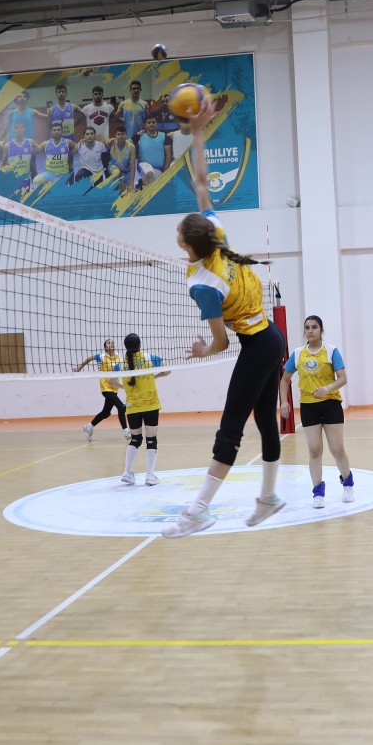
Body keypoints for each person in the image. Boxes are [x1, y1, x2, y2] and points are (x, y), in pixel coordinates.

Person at [166, 100, 286, 538]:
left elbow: (220, 343)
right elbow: (201, 182)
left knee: (231, 427)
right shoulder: (217, 236)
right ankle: (268, 498)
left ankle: (197, 511)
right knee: (265, 421)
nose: (177, 231)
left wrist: (202, 351)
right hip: (270, 336)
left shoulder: (203, 283)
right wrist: (198, 131)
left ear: (186, 245)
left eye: (179, 231)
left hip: (259, 344)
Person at [279, 315, 355, 509]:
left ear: (321, 330)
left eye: (314, 327)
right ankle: (318, 492)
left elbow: (343, 378)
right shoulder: (298, 354)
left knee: (337, 449)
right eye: (307, 327)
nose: (310, 330)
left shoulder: (331, 351)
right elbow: (284, 379)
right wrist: (284, 402)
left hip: (330, 404)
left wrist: (327, 388)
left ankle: (347, 484)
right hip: (308, 406)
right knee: (314, 450)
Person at [112, 333, 169, 486]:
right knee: (151, 439)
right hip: (150, 405)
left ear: (125, 346)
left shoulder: (120, 364)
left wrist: (125, 387)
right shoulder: (149, 358)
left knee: (135, 439)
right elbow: (167, 370)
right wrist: (154, 377)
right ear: (140, 344)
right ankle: (150, 476)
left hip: (132, 407)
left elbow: (112, 382)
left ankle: (127, 472)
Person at [74, 338, 130, 442]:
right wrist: (80, 367)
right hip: (106, 387)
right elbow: (90, 358)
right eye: (109, 343)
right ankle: (126, 432)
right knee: (121, 407)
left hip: (114, 388)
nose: (111, 344)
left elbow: (119, 370)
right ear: (105, 347)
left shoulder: (118, 357)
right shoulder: (102, 357)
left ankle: (89, 426)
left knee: (106, 413)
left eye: (112, 343)